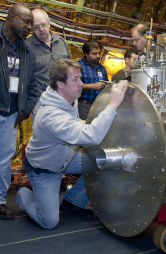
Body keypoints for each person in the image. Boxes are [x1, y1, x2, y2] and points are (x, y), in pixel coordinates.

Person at [16, 59, 128, 229]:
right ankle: (22, 194)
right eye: (75, 80)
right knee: (49, 222)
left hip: (66, 157)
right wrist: (113, 104)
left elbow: (76, 123)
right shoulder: (51, 115)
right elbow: (91, 136)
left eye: (80, 78)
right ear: (60, 84)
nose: (81, 84)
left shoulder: (69, 98)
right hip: (44, 169)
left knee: (105, 163)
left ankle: (73, 202)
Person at [0, 4, 38, 220]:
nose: (30, 27)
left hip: (11, 114)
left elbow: (32, 85)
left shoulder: (27, 51)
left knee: (3, 160)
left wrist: (25, 110)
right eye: (26, 21)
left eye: (31, 23)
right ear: (11, 17)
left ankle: (0, 201)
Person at [26, 9, 70, 122]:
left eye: (43, 25)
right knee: (42, 136)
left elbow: (70, 68)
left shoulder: (61, 41)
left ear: (49, 23)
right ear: (32, 28)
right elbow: (25, 78)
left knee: (64, 135)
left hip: (63, 99)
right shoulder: (27, 47)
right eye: (36, 27)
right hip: (41, 102)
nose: (41, 29)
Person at [78, 39, 108, 120]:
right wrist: (93, 86)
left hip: (99, 106)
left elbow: (107, 83)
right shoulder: (78, 66)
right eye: (94, 54)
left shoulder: (101, 68)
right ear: (86, 54)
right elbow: (74, 86)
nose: (98, 56)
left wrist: (106, 86)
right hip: (84, 105)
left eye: (99, 53)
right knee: (84, 128)